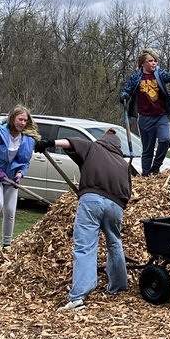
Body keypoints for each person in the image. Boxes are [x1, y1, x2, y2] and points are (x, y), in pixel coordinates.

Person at [35, 129, 132, 310]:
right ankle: (118, 286)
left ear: (104, 141)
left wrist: (49, 143)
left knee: (85, 246)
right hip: (116, 206)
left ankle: (78, 295)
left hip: (92, 201)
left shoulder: (94, 147)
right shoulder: (123, 163)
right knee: (114, 243)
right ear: (118, 146)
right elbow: (128, 192)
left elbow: (72, 143)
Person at [119, 49, 170, 176]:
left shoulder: (159, 74)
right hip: (145, 118)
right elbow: (127, 89)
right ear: (143, 63)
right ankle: (146, 175)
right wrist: (124, 96)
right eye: (151, 61)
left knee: (165, 140)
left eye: (155, 61)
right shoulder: (136, 77)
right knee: (147, 150)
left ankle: (156, 166)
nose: (154, 63)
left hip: (161, 116)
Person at [0, 105, 39, 253]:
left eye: (25, 120)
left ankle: (7, 244)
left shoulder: (28, 140)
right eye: (20, 119)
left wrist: (20, 174)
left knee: (10, 211)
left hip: (11, 178)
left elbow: (25, 162)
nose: (23, 123)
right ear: (12, 118)